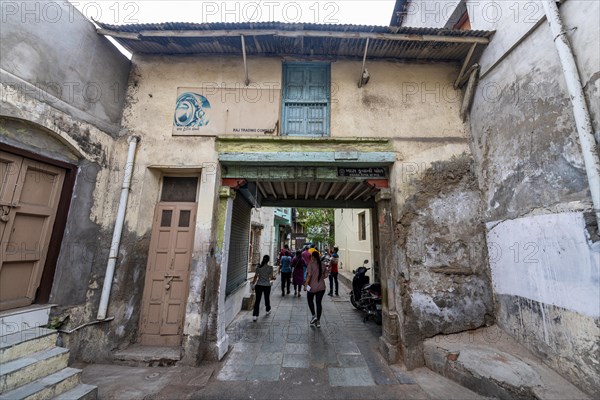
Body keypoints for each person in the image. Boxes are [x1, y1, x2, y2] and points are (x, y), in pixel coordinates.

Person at [304, 250, 328, 328]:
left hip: (312, 287)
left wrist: (306, 284)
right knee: (318, 303)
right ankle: (318, 322)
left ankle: (314, 316)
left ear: (313, 257)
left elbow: (309, 275)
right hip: (321, 287)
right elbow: (326, 275)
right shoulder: (323, 265)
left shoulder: (310, 264)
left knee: (310, 300)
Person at [251, 255, 274, 321]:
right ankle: (267, 310)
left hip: (259, 285)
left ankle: (255, 315)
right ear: (268, 260)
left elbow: (255, 276)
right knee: (267, 298)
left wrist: (253, 284)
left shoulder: (258, 267)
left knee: (257, 300)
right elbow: (271, 277)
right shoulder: (270, 268)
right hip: (267, 285)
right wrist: (273, 278)